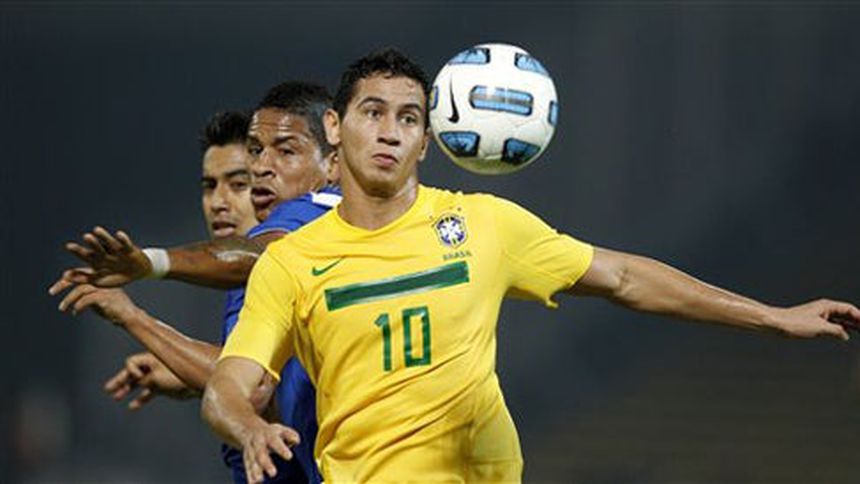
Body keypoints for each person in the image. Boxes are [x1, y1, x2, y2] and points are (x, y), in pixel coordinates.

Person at [199, 49, 860, 483]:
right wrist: (250, 427)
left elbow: (625, 278)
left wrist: (773, 317)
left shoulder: (484, 226)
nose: (391, 131)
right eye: (373, 113)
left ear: (428, 140)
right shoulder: (294, 262)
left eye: (410, 118)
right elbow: (228, 385)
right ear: (336, 127)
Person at [52, 83, 340, 484]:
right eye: (210, 185)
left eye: (236, 184)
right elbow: (265, 375)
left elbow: (254, 391)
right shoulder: (266, 269)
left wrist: (139, 309)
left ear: (332, 162)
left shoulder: (309, 219)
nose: (220, 201)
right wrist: (183, 373)